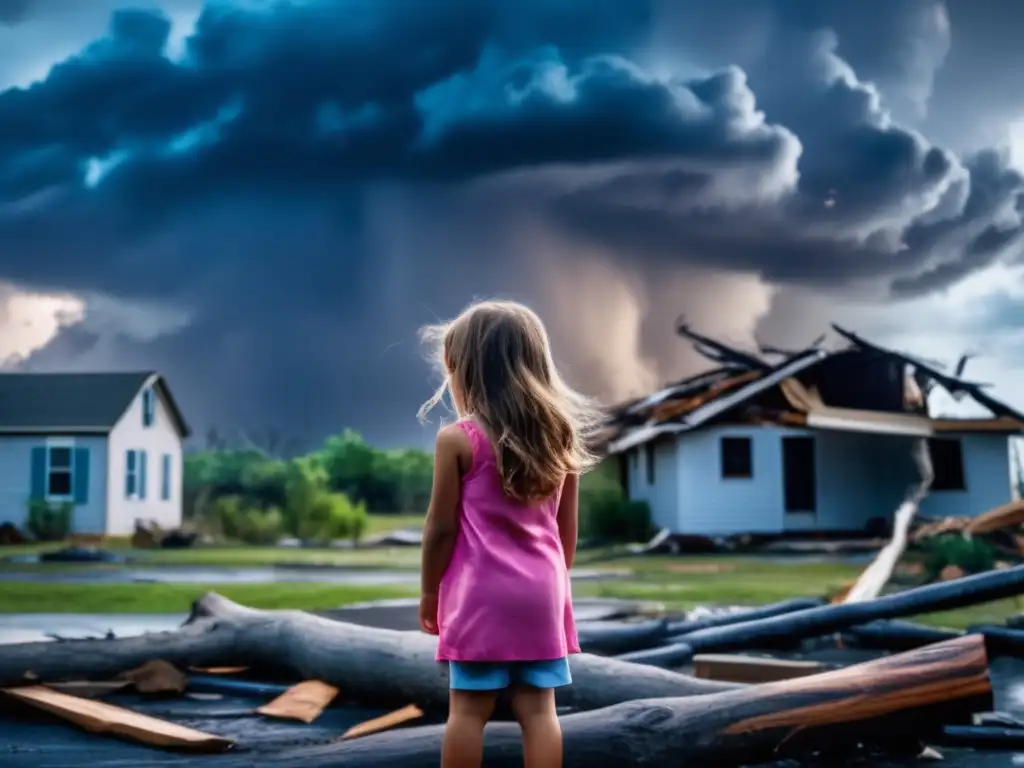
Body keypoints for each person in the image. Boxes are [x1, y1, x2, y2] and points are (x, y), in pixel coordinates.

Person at [416, 299, 603, 768]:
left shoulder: (458, 439)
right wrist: (554, 586)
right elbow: (567, 531)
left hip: (479, 596)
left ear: (466, 369)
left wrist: (428, 593)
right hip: (543, 592)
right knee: (539, 711)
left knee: (467, 712)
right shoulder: (560, 435)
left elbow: (439, 529)